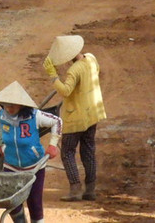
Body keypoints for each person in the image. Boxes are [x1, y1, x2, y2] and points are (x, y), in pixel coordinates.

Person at [43, 35, 106, 202]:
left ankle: (75, 189)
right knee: (88, 149)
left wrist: (53, 75)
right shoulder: (91, 58)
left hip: (75, 118)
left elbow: (65, 91)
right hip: (92, 113)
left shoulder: (74, 70)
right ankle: (90, 189)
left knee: (68, 152)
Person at [0, 81, 61, 223]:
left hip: (34, 168)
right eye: (6, 105)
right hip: (10, 166)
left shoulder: (35, 116)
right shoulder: (1, 116)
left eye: (12, 106)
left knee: (34, 203)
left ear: (21, 105)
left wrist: (53, 145)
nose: (9, 109)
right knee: (12, 203)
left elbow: (57, 122)